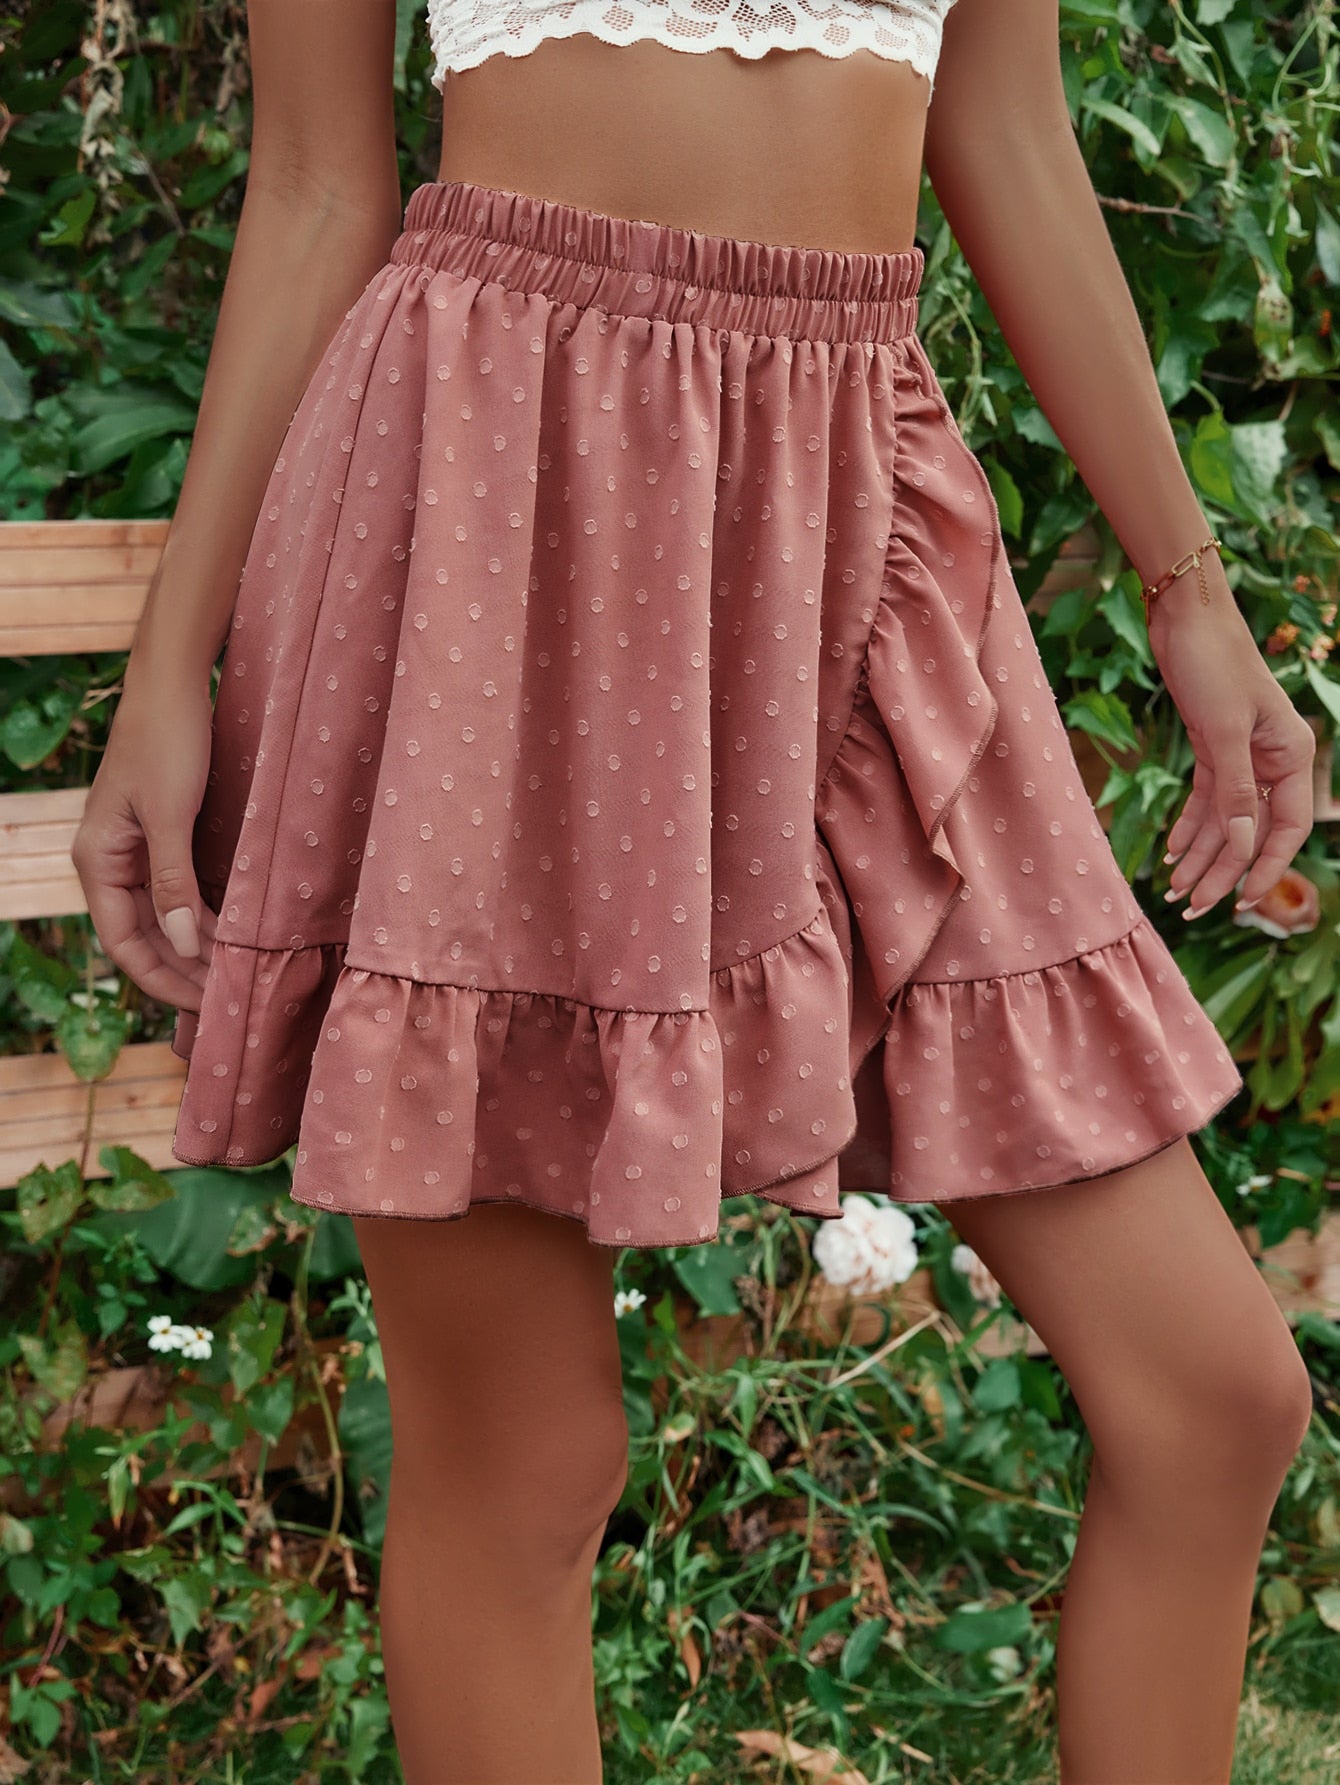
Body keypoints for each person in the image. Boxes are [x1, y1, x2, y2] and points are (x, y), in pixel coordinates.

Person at [72, 1, 1318, 1780]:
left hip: (861, 525)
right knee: (526, 1460)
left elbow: (1012, 132)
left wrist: (1190, 593)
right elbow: (317, 187)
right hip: (498, 494)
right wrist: (164, 672)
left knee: (1212, 1396)